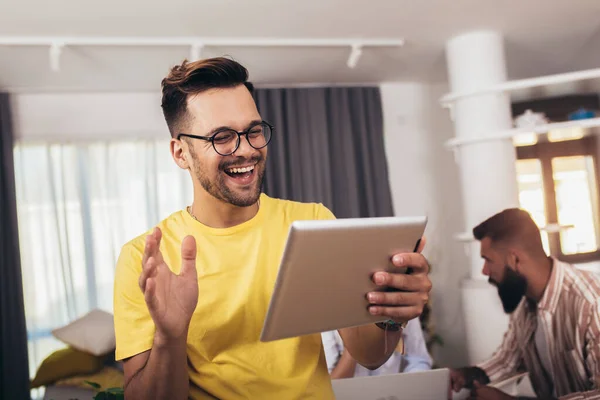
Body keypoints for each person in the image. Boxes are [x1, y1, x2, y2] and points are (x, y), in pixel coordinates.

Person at [112, 57, 433, 400]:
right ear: (181, 153)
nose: (247, 150)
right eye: (222, 137)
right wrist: (170, 337)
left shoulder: (314, 223)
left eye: (252, 131)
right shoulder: (145, 259)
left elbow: (369, 355)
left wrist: (392, 315)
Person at [449, 208, 600, 400]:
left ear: (515, 259)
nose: (485, 271)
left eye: (488, 260)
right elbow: (507, 360)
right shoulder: (526, 304)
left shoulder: (592, 303)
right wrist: (467, 375)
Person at [322, 318, 433, 379]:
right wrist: (353, 343)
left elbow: (418, 360)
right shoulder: (329, 316)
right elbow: (330, 383)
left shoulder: (401, 307)